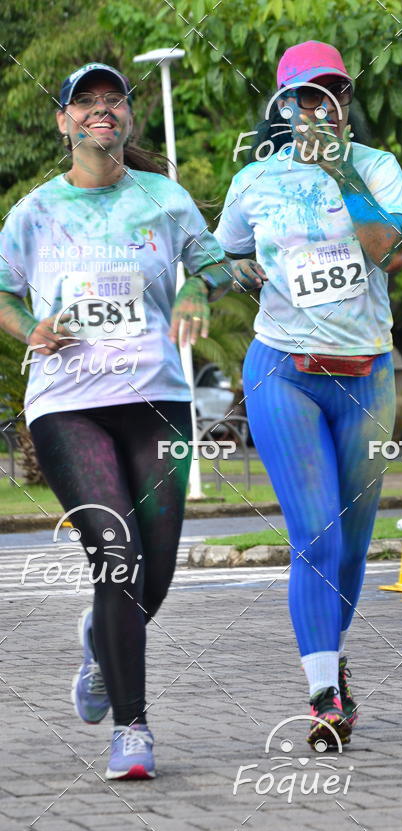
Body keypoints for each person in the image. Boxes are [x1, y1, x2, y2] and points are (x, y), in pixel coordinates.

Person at [0, 62, 231, 779]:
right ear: (65, 122)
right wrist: (30, 330)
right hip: (68, 403)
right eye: (86, 103)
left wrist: (196, 291)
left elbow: (217, 263)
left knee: (154, 571)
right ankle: (132, 730)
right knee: (116, 551)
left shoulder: (164, 199)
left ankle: (101, 642)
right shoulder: (34, 212)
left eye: (114, 100)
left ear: (128, 117)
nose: (103, 110)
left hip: (156, 399)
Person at [215, 41, 402, 748]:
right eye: (307, 96)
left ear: (348, 102)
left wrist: (340, 178)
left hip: (366, 377)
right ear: (285, 106)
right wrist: (243, 278)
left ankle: (334, 653)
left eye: (334, 94)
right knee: (316, 535)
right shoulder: (254, 180)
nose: (322, 108)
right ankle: (323, 695)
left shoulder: (378, 168)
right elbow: (228, 254)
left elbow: (391, 251)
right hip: (283, 371)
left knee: (354, 549)